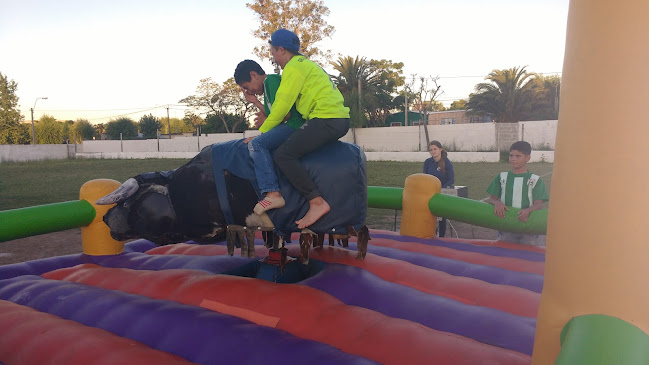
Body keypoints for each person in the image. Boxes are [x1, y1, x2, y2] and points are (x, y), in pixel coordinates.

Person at [261, 28, 351, 229]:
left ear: (281, 50)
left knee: (284, 155)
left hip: (327, 119)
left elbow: (281, 106)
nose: (273, 57)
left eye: (273, 52)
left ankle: (316, 202)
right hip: (337, 118)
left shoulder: (293, 67)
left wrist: (262, 134)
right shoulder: (306, 64)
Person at [233, 59, 305, 215]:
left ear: (254, 74)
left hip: (294, 123)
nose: (249, 91)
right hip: (289, 123)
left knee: (257, 145)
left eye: (247, 87)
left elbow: (284, 114)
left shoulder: (271, 81)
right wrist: (256, 102)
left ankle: (272, 193)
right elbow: (274, 113)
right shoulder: (267, 89)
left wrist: (263, 135)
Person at [486, 141, 549, 245]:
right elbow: (491, 198)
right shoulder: (501, 177)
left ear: (527, 158)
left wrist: (528, 210)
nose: (513, 159)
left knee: (531, 256)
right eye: (511, 155)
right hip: (506, 226)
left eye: (518, 156)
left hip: (528, 229)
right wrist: (497, 203)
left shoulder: (535, 180)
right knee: (506, 254)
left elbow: (539, 204)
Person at [423, 140, 454, 237]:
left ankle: (441, 237)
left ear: (440, 149)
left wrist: (441, 189)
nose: (433, 151)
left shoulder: (446, 162)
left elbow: (451, 179)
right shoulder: (427, 162)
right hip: (429, 192)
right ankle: (430, 233)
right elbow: (425, 177)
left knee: (441, 216)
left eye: (435, 149)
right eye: (431, 150)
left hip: (442, 193)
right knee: (428, 214)